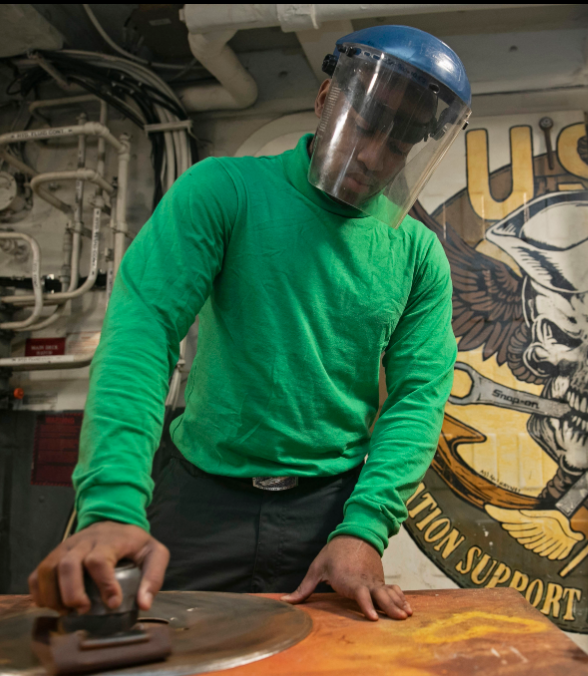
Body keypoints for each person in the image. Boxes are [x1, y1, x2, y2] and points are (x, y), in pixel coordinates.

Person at [28, 26, 471, 622]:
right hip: (199, 498)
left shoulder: (418, 254)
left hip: (328, 513)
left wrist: (365, 528)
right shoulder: (223, 190)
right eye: (366, 123)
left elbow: (419, 396)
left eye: (400, 141)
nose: (374, 155)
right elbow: (144, 330)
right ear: (324, 99)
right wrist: (111, 507)